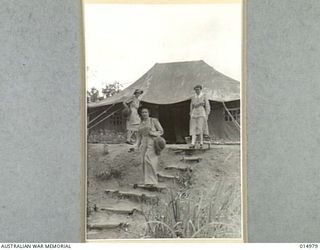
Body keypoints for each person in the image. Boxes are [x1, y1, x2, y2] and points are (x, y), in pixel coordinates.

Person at [136, 107, 164, 186]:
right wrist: (136, 146)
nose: (144, 114)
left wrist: (153, 133)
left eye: (146, 112)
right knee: (143, 162)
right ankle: (147, 182)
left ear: (149, 113)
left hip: (152, 141)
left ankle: (153, 181)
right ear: (141, 114)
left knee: (149, 159)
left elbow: (161, 131)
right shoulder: (141, 124)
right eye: (143, 112)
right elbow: (138, 137)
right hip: (144, 143)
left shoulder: (153, 121)